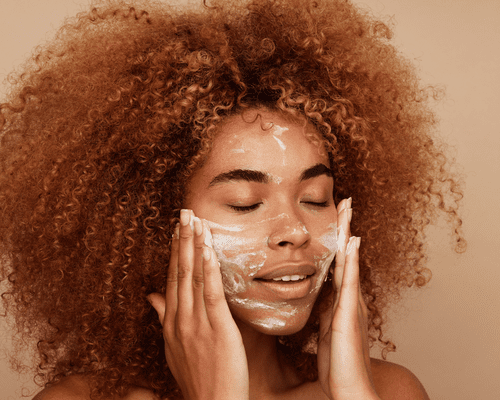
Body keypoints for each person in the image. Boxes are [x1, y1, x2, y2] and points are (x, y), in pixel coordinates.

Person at [0, 0, 465, 399]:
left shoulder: (387, 390)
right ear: (157, 225)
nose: (295, 232)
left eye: (316, 198)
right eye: (245, 202)